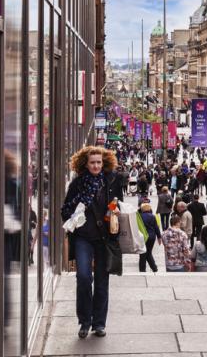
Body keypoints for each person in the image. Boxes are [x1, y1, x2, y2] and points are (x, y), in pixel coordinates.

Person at [61, 145, 123, 339]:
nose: (96, 166)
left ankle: (99, 323)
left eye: (99, 162)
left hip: (104, 238)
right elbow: (64, 211)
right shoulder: (78, 184)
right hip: (83, 237)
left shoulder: (111, 180)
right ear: (85, 164)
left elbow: (118, 202)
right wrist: (77, 209)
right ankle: (84, 321)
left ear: (103, 162)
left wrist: (116, 209)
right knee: (84, 278)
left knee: (103, 282)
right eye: (92, 163)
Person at [138, 202, 162, 273]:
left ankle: (142, 269)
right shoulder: (152, 216)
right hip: (152, 237)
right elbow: (156, 227)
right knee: (148, 252)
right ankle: (154, 268)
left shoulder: (140, 216)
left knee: (143, 253)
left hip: (143, 237)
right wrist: (159, 237)